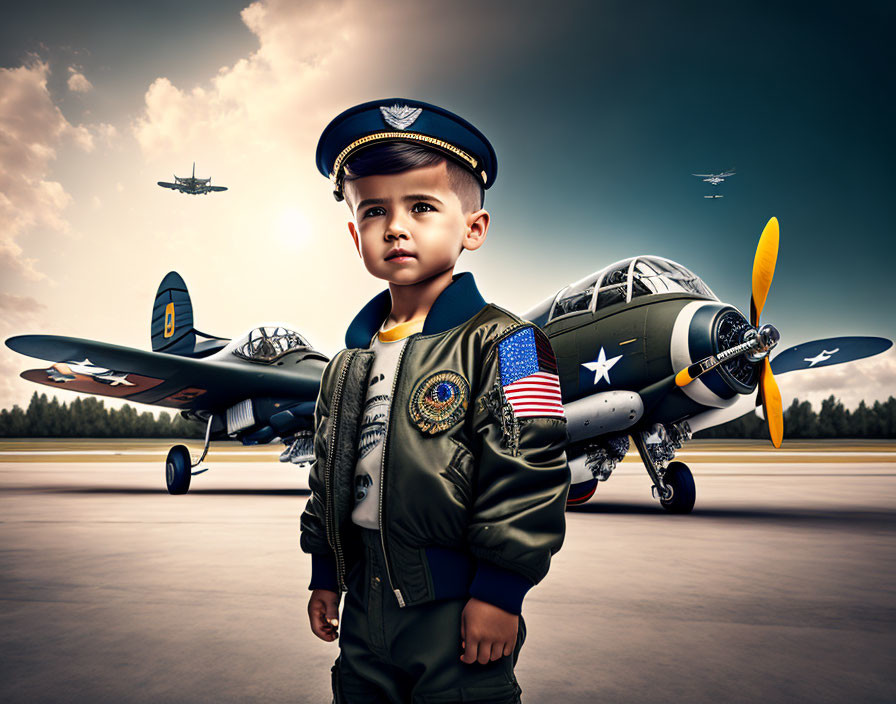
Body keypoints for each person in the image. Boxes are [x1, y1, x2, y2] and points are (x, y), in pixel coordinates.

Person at [300, 98, 570, 703]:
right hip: (362, 602)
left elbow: (531, 471)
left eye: (422, 206)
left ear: (473, 228)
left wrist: (501, 592)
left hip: (455, 607)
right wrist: (325, 573)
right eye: (374, 211)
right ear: (355, 234)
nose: (396, 226)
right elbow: (328, 477)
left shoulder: (514, 343)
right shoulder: (346, 365)